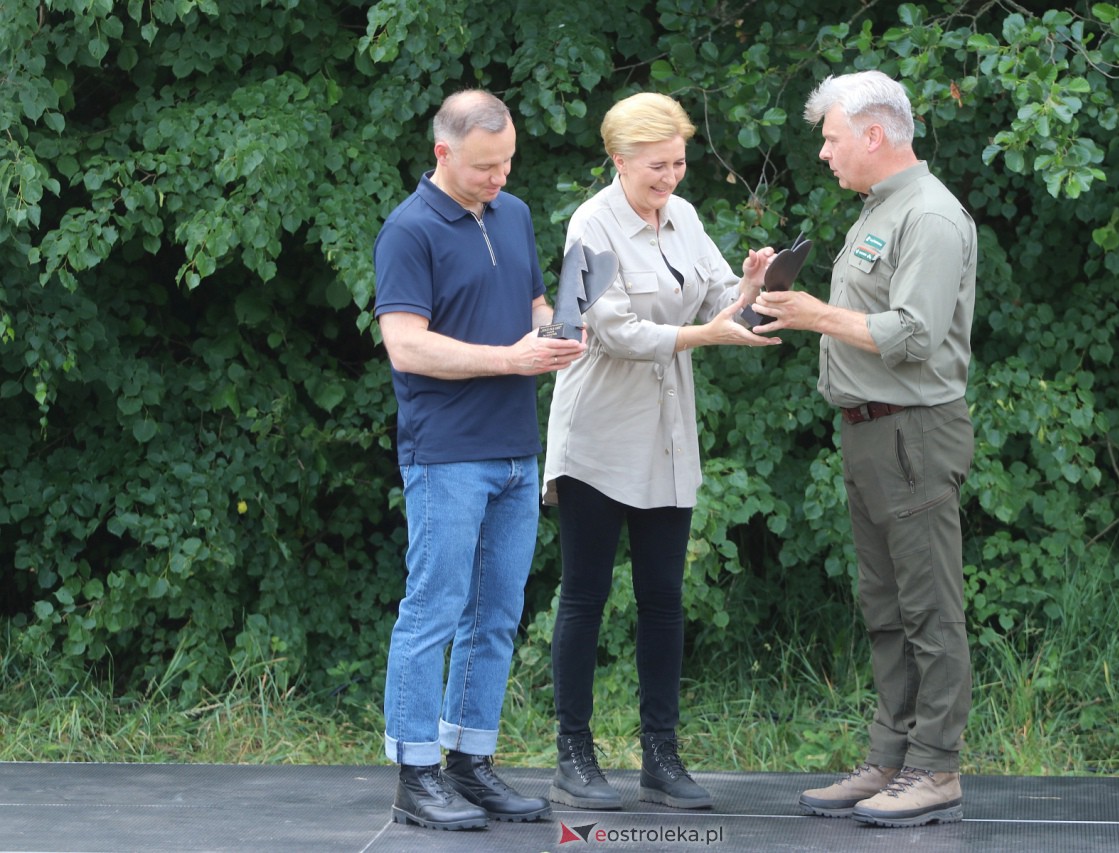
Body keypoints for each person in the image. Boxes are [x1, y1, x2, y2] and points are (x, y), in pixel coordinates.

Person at [749, 70, 977, 828]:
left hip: (913, 431)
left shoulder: (932, 217)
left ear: (873, 135)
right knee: (884, 607)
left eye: (832, 137)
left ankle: (934, 768)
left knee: (929, 610)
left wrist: (815, 314)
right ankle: (891, 757)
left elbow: (912, 335)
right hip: (871, 433)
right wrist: (784, 302)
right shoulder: (880, 210)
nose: (823, 152)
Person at [541, 92, 780, 812]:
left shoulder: (685, 215)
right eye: (656, 166)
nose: (670, 177)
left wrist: (754, 282)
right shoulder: (590, 223)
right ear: (619, 161)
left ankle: (661, 756)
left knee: (664, 601)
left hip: (667, 438)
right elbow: (609, 329)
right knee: (584, 594)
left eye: (678, 163)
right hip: (596, 436)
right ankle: (573, 754)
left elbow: (717, 296)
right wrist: (705, 336)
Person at [373, 89, 587, 832]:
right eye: (485, 167)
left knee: (496, 614)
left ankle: (470, 762)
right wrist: (511, 358)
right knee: (431, 612)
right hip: (447, 455)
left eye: (506, 164)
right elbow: (406, 344)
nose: (499, 178)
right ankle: (416, 773)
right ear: (443, 153)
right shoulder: (408, 230)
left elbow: (530, 301)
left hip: (515, 451)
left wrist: (554, 332)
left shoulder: (515, 214)